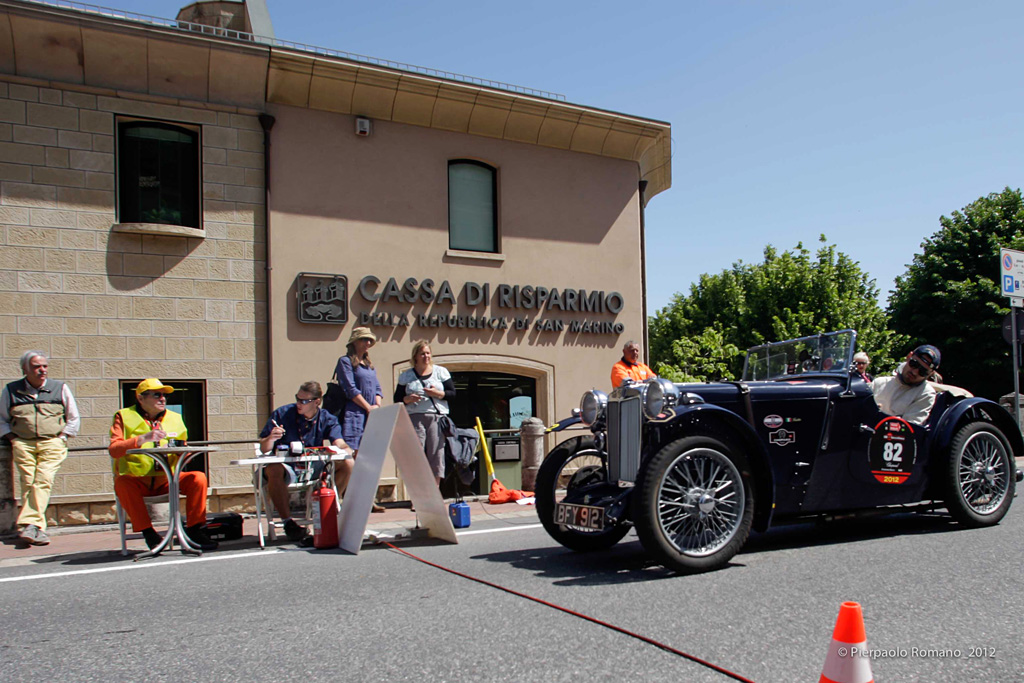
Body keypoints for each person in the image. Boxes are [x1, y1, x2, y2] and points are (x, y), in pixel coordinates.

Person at [109, 379, 217, 551]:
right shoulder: (123, 416)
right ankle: (148, 533)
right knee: (122, 483)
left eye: (164, 395)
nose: (163, 399)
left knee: (198, 478)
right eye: (157, 394)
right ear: (141, 398)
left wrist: (182, 451)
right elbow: (114, 450)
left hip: (168, 481)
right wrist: (141, 440)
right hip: (138, 481)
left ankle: (195, 529)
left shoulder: (175, 418)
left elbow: (184, 448)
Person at [0, 351, 79, 546]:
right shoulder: (11, 390)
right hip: (22, 442)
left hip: (52, 441)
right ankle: (36, 529)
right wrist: (12, 438)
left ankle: (30, 524)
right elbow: (2, 418)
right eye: (36, 366)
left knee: (43, 479)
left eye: (44, 366)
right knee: (28, 482)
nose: (42, 370)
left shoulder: (59, 388)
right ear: (25, 369)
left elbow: (73, 417)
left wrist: (63, 437)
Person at [258, 381, 352, 542]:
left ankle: (325, 509)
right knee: (273, 468)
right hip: (287, 467)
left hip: (312, 467)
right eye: (297, 399)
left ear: (317, 402)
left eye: (304, 401)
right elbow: (264, 448)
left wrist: (348, 451)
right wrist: (271, 437)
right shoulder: (283, 414)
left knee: (348, 464)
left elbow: (340, 443)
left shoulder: (326, 418)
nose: (298, 404)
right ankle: (288, 523)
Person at [333, 327, 384, 512]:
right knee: (352, 456)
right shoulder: (346, 362)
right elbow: (350, 389)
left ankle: (365, 499)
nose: (367, 343)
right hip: (353, 415)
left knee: (366, 458)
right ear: (354, 342)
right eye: (364, 340)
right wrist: (367, 407)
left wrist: (376, 406)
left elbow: (378, 389)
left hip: (370, 415)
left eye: (369, 340)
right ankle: (345, 498)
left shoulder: (369, 365)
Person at [394, 341, 455, 487]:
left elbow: (452, 394)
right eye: (422, 353)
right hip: (415, 417)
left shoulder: (441, 372)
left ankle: (435, 490)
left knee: (436, 454)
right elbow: (397, 398)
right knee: (416, 455)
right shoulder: (406, 376)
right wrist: (408, 399)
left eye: (428, 353)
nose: (426, 356)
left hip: (436, 417)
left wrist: (437, 393)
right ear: (415, 356)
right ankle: (418, 495)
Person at [870, 345, 941, 425]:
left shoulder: (926, 394)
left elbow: (908, 428)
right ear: (909, 356)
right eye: (914, 364)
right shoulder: (878, 383)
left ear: (930, 374)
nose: (915, 372)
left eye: (923, 371)